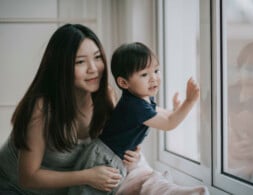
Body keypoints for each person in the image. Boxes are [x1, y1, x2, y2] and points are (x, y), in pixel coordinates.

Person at [0, 23, 141, 195]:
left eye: (97, 57)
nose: (93, 69)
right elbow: (28, 177)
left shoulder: (105, 96)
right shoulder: (41, 108)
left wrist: (130, 156)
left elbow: (111, 145)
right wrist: (86, 176)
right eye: (80, 62)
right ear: (61, 66)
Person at [69, 42, 200, 194]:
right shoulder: (134, 106)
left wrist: (176, 109)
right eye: (144, 74)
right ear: (124, 82)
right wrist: (189, 101)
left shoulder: (142, 98)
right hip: (104, 159)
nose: (154, 78)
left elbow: (165, 116)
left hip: (113, 157)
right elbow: (169, 123)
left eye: (156, 71)